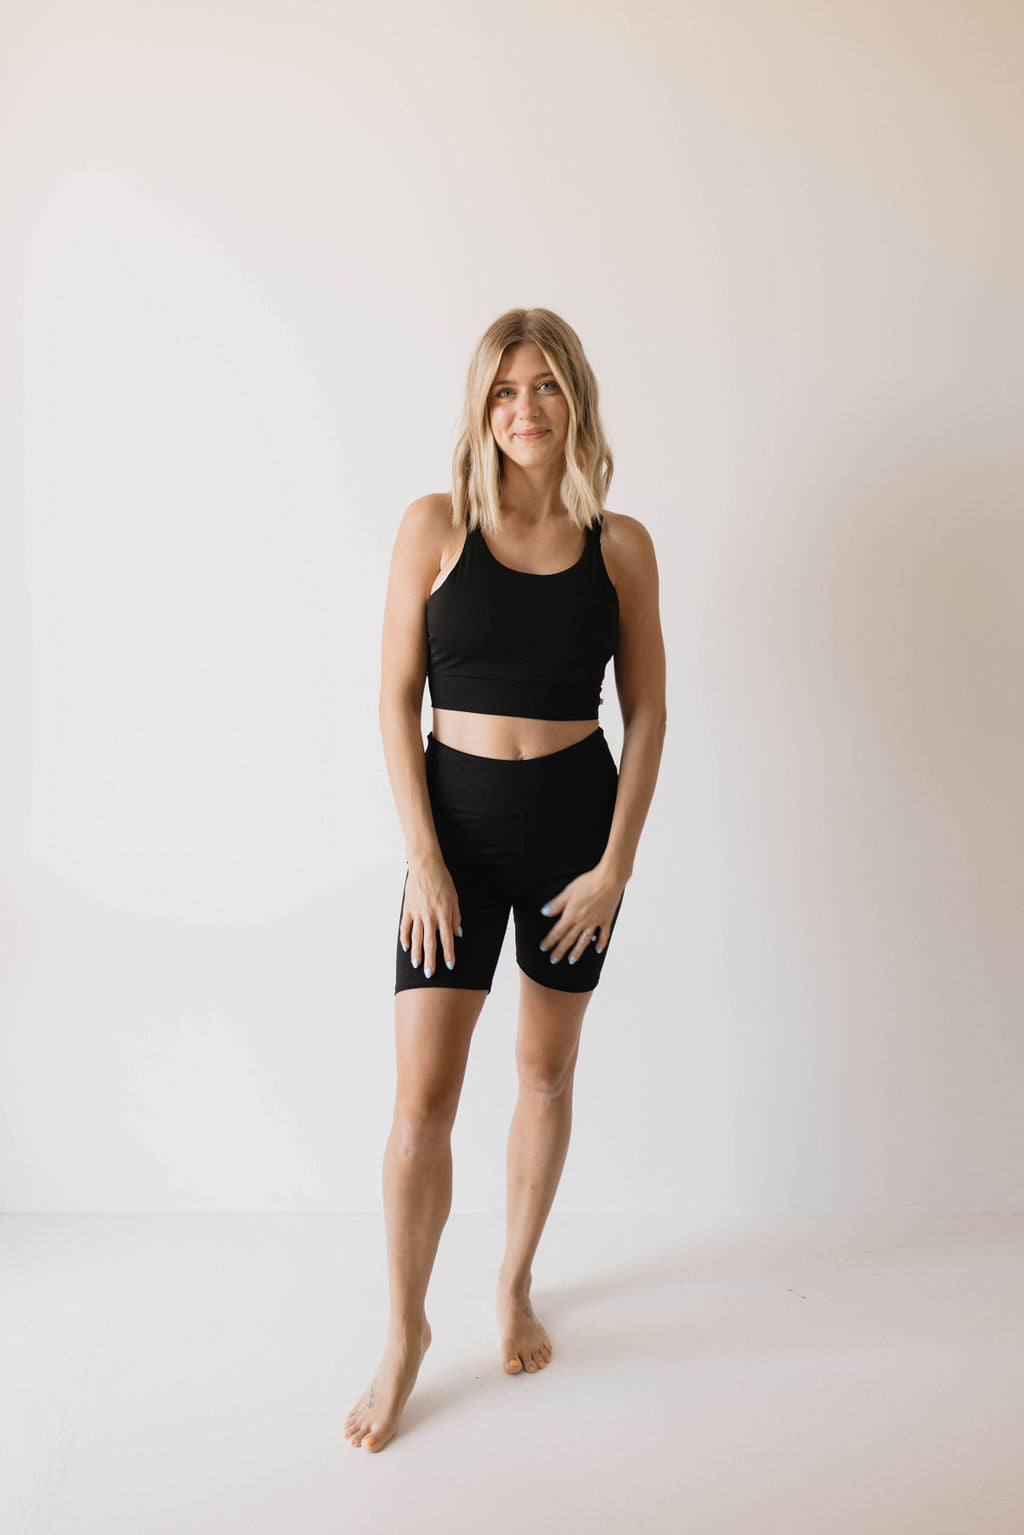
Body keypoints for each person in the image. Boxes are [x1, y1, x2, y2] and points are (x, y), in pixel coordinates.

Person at [345, 307, 666, 1452]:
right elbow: (393, 700)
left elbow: (648, 711)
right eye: (503, 391)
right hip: (457, 844)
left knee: (543, 1075)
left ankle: (516, 1281)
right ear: (479, 408)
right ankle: (403, 1330)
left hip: (574, 842)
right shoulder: (436, 526)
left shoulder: (618, 543)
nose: (525, 410)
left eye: (544, 388)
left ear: (574, 399)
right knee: (420, 1103)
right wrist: (423, 858)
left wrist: (615, 869)